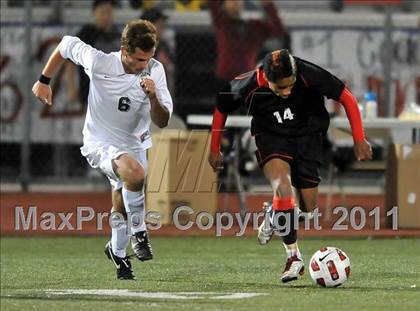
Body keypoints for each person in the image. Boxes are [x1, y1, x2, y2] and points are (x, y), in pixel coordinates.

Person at [208, 49, 372, 283]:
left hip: (308, 138)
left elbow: (345, 96)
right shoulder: (247, 84)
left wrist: (359, 138)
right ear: (266, 77)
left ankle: (275, 213)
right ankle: (293, 257)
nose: (287, 92)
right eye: (280, 88)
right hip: (271, 137)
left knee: (308, 207)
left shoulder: (308, 74)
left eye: (290, 85)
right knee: (282, 188)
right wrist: (215, 148)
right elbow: (221, 106)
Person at [32, 19, 173, 280]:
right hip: (100, 142)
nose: (144, 66)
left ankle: (118, 252)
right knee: (134, 173)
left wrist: (153, 96)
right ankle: (139, 232)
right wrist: (44, 80)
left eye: (148, 59)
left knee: (121, 199)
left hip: (135, 143)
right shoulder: (100, 62)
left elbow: (162, 121)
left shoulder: (155, 70)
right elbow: (65, 45)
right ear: (124, 50)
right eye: (138, 60)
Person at [208, 0, 285, 87]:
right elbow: (213, 4)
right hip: (225, 78)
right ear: (223, 5)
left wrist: (268, 5)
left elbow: (278, 30)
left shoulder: (255, 27)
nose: (235, 2)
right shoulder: (222, 23)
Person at [66, 0, 121, 107]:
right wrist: (71, 88)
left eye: (109, 12)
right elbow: (69, 63)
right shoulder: (87, 34)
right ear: (94, 13)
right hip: (91, 95)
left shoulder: (117, 34)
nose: (106, 16)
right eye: (102, 12)